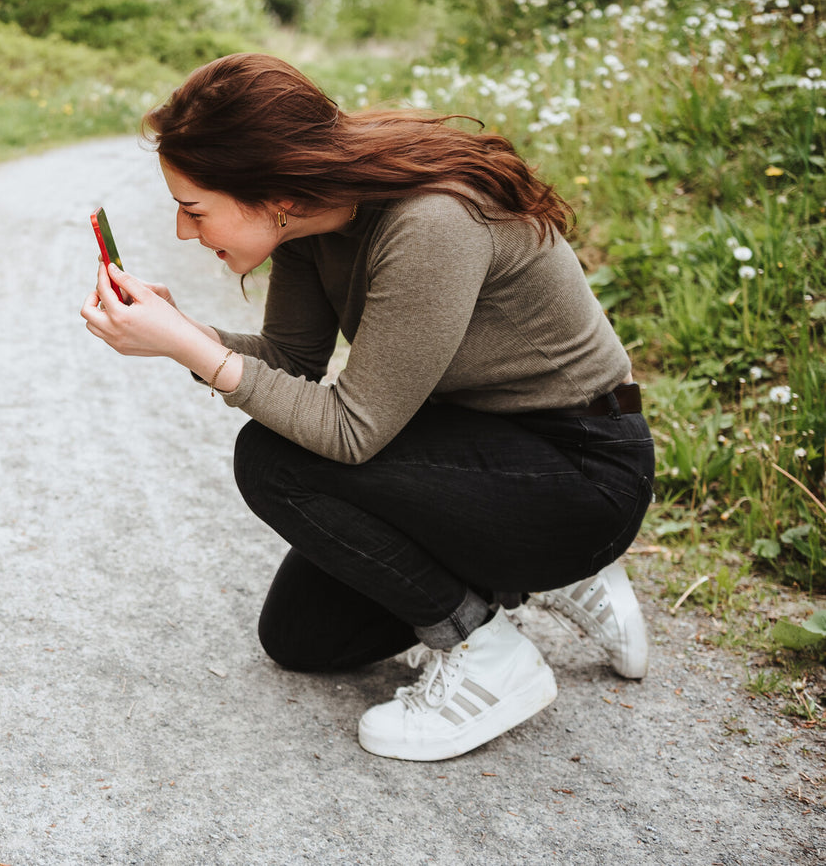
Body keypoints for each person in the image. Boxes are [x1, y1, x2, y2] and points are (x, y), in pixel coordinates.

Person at [80, 53, 654, 762]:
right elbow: (290, 363)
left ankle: (489, 650)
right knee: (301, 638)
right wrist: (183, 334)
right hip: (471, 449)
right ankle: (516, 571)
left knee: (272, 460)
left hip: (578, 471)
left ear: (274, 192)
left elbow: (351, 430)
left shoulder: (432, 222)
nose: (181, 231)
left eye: (193, 209)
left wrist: (195, 352)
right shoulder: (308, 221)